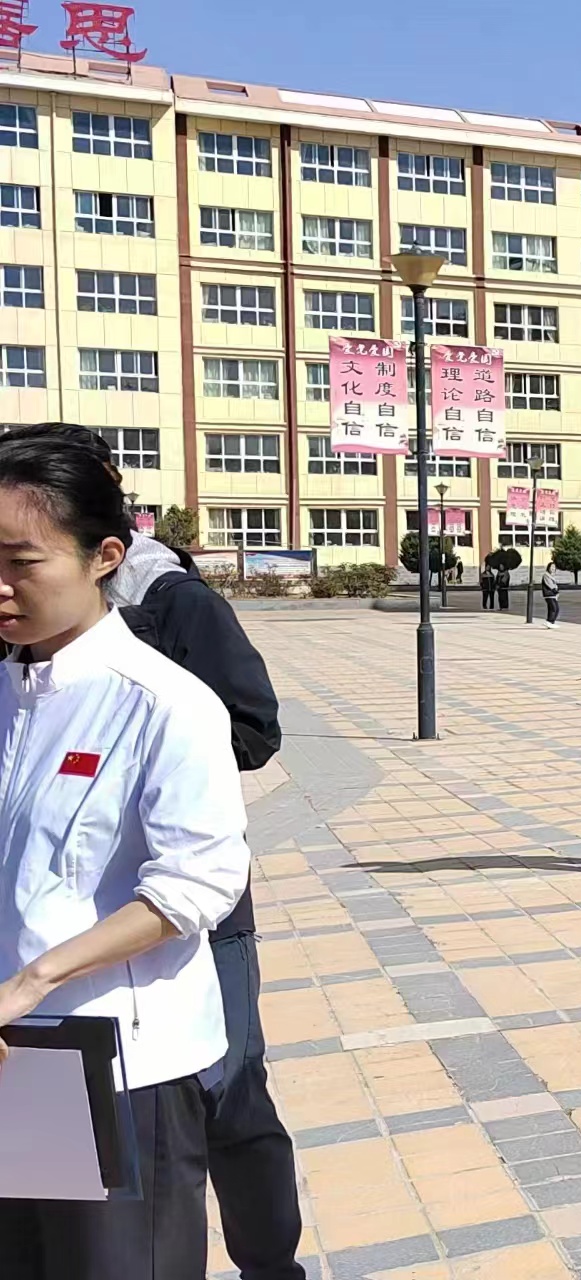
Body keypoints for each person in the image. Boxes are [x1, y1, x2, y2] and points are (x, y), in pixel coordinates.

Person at [0, 423, 298, 1280]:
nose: (1, 586)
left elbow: (197, 883)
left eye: (22, 562)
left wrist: (36, 978)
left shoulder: (163, 702)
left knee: (119, 1264)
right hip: (19, 1051)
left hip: (116, 1062)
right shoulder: (12, 692)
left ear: (104, 556)